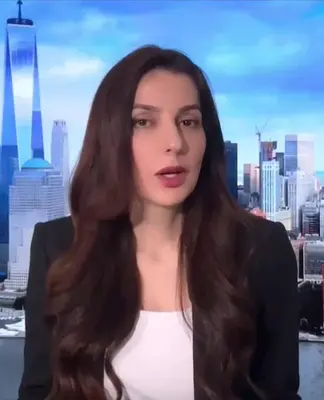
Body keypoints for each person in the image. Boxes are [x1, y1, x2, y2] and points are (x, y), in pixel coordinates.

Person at [18, 45, 300, 400]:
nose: (175, 143)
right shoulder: (58, 248)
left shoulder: (261, 251)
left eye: (188, 122)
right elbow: (38, 392)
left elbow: (279, 393)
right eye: (144, 122)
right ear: (110, 137)